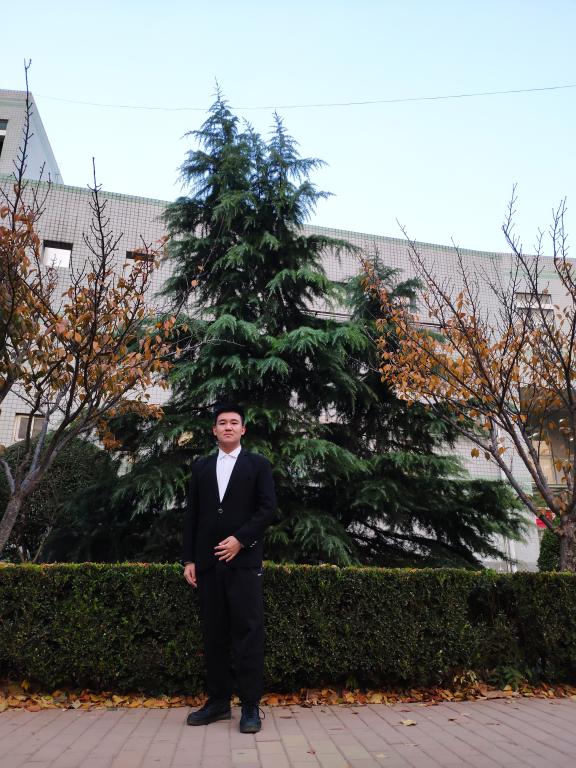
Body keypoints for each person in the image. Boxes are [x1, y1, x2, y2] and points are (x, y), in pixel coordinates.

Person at [183, 404, 276, 733]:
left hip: (244, 563)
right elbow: (192, 515)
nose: (227, 427)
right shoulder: (201, 467)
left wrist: (240, 540)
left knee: (248, 634)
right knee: (215, 634)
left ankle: (250, 706)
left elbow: (267, 509)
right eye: (222, 422)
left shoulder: (258, 465)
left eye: (234, 422)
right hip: (208, 564)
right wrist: (189, 559)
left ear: (243, 430)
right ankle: (219, 703)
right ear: (214, 430)